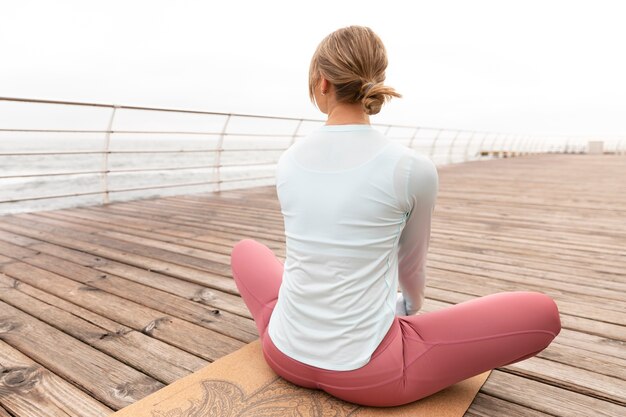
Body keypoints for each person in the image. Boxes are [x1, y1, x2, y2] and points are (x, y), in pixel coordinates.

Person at [230, 25, 561, 407]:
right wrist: (410, 306)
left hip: (283, 353)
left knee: (246, 251)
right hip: (371, 372)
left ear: (322, 84)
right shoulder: (411, 168)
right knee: (541, 313)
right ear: (376, 84)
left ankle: (295, 315)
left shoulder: (288, 162)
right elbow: (411, 263)